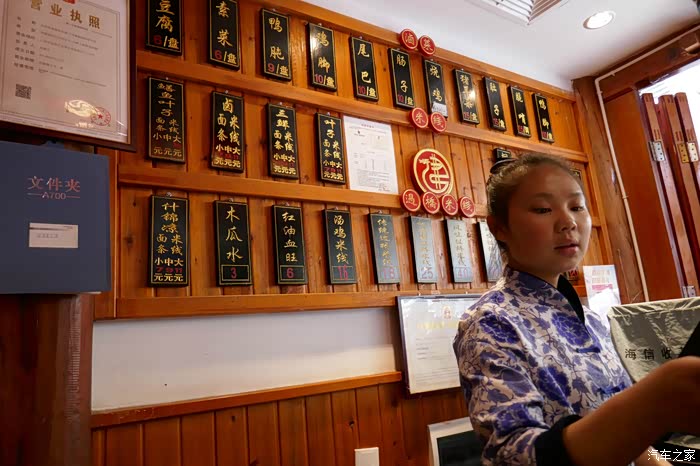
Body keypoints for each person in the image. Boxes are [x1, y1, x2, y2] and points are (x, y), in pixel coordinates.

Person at [453, 153, 700, 466]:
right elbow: (512, 454)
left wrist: (671, 456)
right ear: (499, 227)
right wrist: (653, 402)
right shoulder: (490, 321)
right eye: (543, 209)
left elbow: (630, 437)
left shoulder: (593, 320)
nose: (568, 222)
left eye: (576, 206)